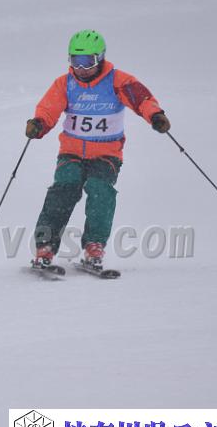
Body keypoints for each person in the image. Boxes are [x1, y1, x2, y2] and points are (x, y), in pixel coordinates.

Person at [26, 29, 170, 270]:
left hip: (106, 155)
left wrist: (155, 115)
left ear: (100, 58)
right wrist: (39, 124)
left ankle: (94, 245)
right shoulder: (65, 83)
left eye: (87, 61)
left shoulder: (118, 81)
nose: (81, 68)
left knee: (101, 190)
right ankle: (45, 246)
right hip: (71, 152)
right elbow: (48, 109)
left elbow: (142, 99)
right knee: (64, 189)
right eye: (76, 61)